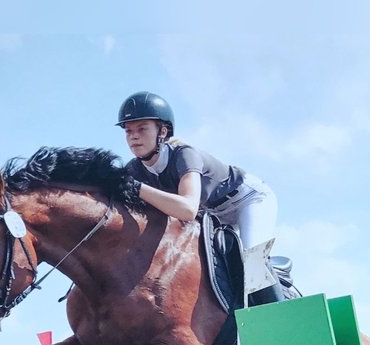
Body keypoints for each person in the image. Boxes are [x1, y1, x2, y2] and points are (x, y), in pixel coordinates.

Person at [116, 91, 284, 305]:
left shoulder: (183, 154)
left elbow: (187, 209)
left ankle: (283, 319)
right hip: (213, 216)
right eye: (128, 131)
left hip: (248, 199)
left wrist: (137, 188)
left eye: (142, 129)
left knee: (253, 260)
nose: (134, 136)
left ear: (163, 131)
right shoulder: (134, 170)